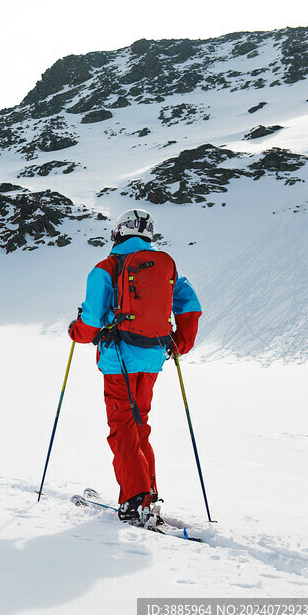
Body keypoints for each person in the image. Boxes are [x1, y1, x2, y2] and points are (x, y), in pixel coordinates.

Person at [67, 209, 201, 525]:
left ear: (117, 233)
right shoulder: (166, 267)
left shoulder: (106, 268)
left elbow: (91, 319)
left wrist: (76, 332)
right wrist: (181, 342)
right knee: (139, 425)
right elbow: (190, 304)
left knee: (122, 428)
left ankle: (135, 500)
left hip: (118, 360)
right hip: (153, 356)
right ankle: (147, 494)